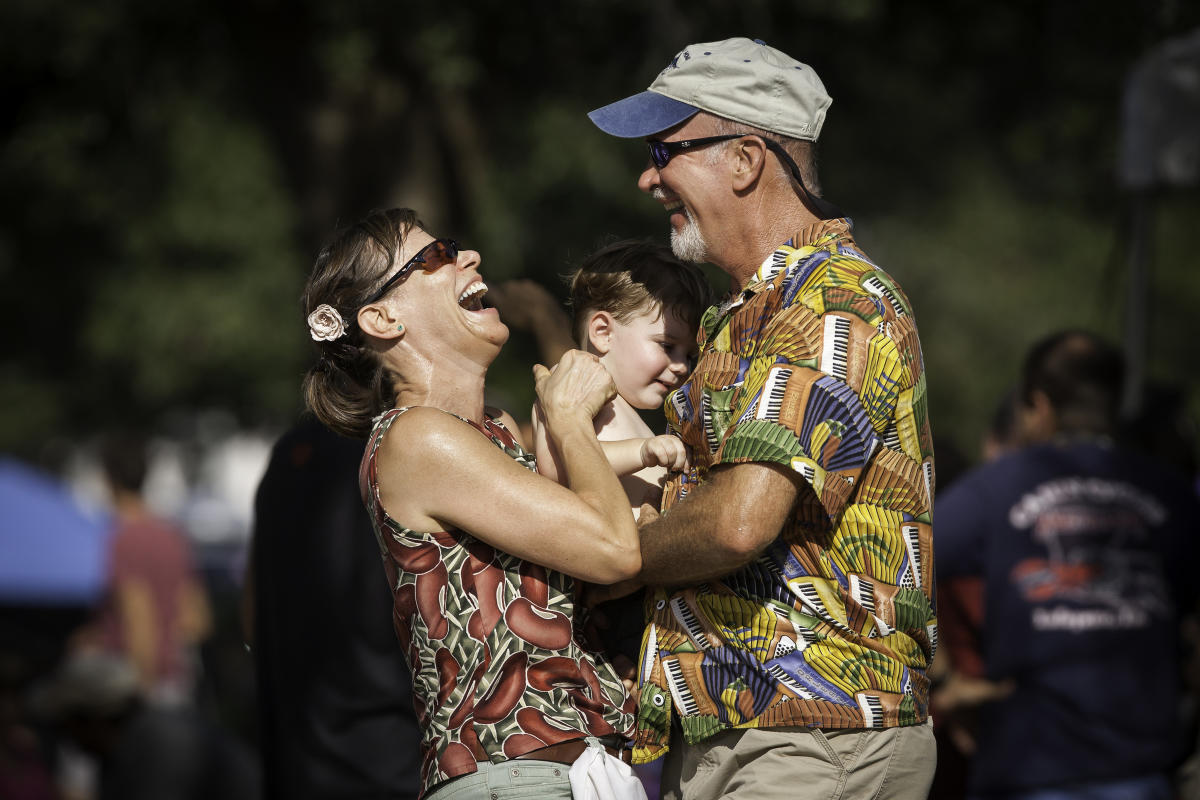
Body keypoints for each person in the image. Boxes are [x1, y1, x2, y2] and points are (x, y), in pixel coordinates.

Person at [587, 37, 938, 799]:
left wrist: (615, 557)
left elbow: (739, 522)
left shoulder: (833, 300)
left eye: (665, 148)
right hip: (751, 736)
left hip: (816, 736)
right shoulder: (735, 319)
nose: (648, 176)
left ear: (744, 159)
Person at [300, 207, 646, 800]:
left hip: (573, 773)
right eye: (436, 256)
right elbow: (614, 550)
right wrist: (567, 417)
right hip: (515, 781)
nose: (469, 257)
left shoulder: (498, 431)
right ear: (382, 318)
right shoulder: (417, 438)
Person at [934, 330, 1200, 800]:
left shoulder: (991, 492)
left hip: (1030, 767)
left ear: (1038, 405)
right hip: (1141, 770)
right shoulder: (1172, 495)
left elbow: (914, 553)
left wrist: (963, 669)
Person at [246, 416, 421, 800]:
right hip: (392, 749)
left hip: (301, 748)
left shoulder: (288, 453)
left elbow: (250, 606)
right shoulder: (402, 444)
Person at [532, 239, 713, 518]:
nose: (681, 367)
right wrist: (642, 452)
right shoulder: (572, 377)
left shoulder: (628, 409)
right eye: (667, 346)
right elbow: (556, 467)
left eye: (689, 356)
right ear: (603, 332)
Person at [85, 432, 212, 708]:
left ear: (108, 479)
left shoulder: (122, 539)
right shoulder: (172, 536)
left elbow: (138, 616)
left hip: (140, 685)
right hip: (179, 682)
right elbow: (197, 620)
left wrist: (141, 686)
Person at [33, 650, 259, 800]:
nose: (68, 737)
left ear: (93, 719)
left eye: (67, 725)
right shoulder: (124, 751)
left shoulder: (161, 745)